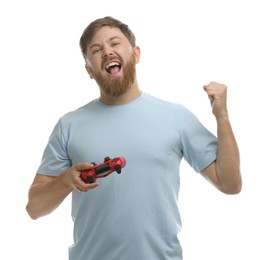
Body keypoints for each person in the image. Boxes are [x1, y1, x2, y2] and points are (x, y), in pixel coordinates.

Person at [26, 16, 242, 260]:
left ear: (136, 54)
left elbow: (230, 184)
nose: (107, 52)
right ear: (89, 70)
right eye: (96, 50)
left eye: (114, 43)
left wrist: (222, 117)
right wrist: (66, 180)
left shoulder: (176, 117)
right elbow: (34, 208)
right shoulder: (68, 125)